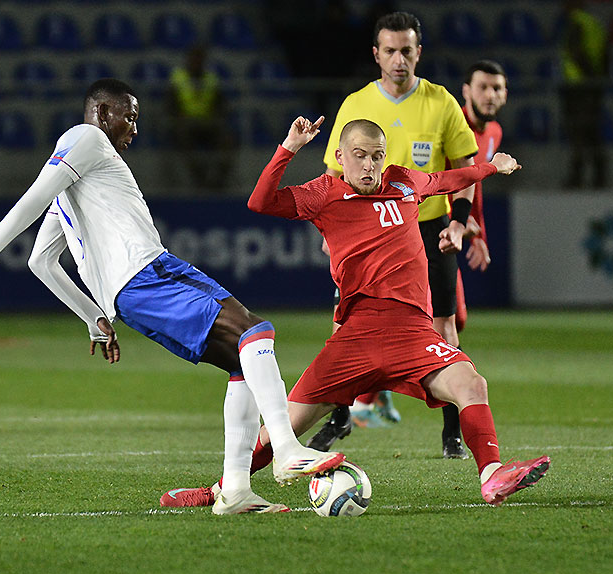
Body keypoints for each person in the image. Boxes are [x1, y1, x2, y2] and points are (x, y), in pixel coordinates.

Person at [0, 78, 344, 515]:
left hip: (132, 289)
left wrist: (93, 317)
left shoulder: (79, 184)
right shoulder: (87, 138)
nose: (134, 128)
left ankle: (234, 490)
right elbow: (30, 200)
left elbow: (40, 261)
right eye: (129, 116)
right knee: (256, 332)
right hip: (145, 274)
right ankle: (287, 449)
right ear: (101, 113)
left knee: (241, 360)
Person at [162, 116, 550, 508]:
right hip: (355, 337)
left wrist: (492, 167)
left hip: (412, 333)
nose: (369, 165)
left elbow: (448, 179)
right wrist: (289, 148)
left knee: (471, 384)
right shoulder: (324, 193)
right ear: (340, 156)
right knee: (283, 428)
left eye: (376, 156)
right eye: (360, 155)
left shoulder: (403, 182)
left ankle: (492, 475)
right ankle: (219, 491)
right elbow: (259, 201)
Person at [309, 12, 480, 458]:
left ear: (418, 52)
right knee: (345, 324)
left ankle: (452, 432)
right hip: (366, 232)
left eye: (407, 50)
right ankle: (340, 418)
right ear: (376, 54)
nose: (399, 59)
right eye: (390, 50)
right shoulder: (356, 104)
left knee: (442, 326)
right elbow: (332, 171)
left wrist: (459, 222)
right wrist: (332, 228)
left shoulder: (441, 103)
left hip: (429, 228)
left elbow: (464, 172)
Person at [454, 60, 508, 333]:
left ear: (505, 94)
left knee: (454, 319)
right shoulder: (452, 125)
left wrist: (477, 235)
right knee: (449, 319)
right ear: (466, 91)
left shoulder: (493, 133)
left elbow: (475, 184)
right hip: (426, 221)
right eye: (482, 87)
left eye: (496, 88)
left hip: (451, 226)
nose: (490, 95)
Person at [165, 44, 233, 190]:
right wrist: (179, 117)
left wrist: (217, 117)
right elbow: (170, 104)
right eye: (194, 59)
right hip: (186, 124)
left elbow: (221, 104)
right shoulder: (178, 77)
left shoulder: (211, 78)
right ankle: (200, 179)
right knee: (184, 138)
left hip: (208, 124)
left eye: (200, 59)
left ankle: (219, 181)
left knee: (228, 141)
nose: (197, 62)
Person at [560, 0, 609, 188]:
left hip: (579, 87)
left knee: (578, 132)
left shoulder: (576, 23)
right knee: (592, 131)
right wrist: (599, 81)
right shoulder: (595, 23)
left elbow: (576, 52)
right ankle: (600, 176)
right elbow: (606, 53)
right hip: (593, 86)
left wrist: (588, 78)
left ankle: (576, 177)